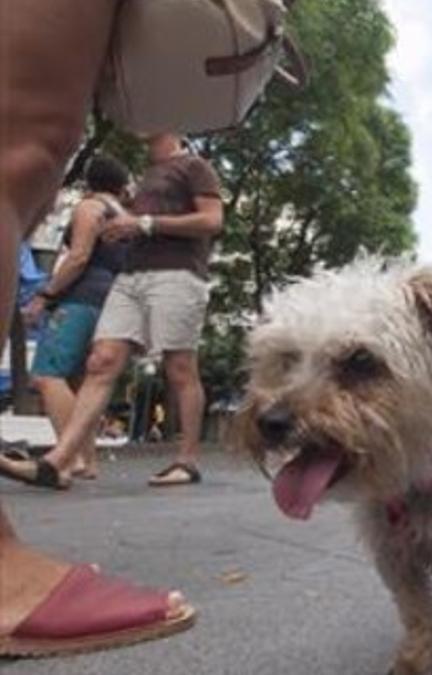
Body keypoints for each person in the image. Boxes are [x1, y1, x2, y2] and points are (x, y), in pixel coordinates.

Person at [0, 0, 194, 657]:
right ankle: (70, 454)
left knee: (24, 149)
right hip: (114, 293)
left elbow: (80, 252)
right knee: (22, 146)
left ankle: (75, 453)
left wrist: (46, 292)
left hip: (106, 290)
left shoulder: (138, 188)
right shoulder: (121, 195)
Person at [2, 133, 222, 490]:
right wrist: (126, 229)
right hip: (130, 277)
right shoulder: (145, 178)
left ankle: (187, 460)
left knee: (179, 365)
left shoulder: (194, 167)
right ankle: (58, 462)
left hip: (177, 273)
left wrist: (146, 223)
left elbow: (212, 221)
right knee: (100, 361)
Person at [22, 155, 132, 480]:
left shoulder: (89, 207)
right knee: (81, 383)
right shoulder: (126, 216)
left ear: (87, 182)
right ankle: (88, 461)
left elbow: (79, 256)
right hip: (112, 300)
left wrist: (45, 295)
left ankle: (67, 459)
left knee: (46, 374)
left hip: (80, 297)